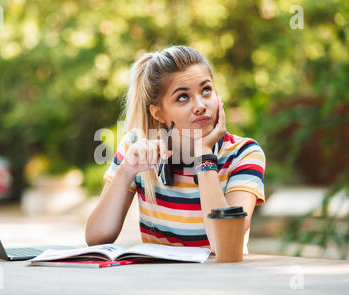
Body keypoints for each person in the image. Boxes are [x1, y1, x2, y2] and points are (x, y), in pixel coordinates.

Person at [86, 46, 266, 254]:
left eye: (206, 90)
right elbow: (96, 238)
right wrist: (126, 170)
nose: (200, 105)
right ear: (158, 113)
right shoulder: (137, 147)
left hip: (220, 281)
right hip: (160, 282)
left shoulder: (244, 153)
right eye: (183, 97)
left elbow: (224, 245)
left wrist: (204, 155)